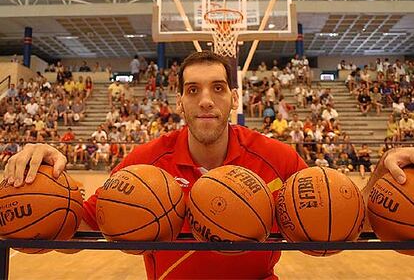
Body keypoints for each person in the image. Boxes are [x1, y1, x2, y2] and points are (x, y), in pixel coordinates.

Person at [4, 51, 414, 279]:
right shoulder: (145, 163)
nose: (205, 100)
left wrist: (382, 180)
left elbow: (339, 218)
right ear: (179, 101)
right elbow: (85, 219)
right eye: (193, 90)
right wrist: (46, 177)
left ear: (234, 99)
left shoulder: (277, 158)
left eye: (218, 88)